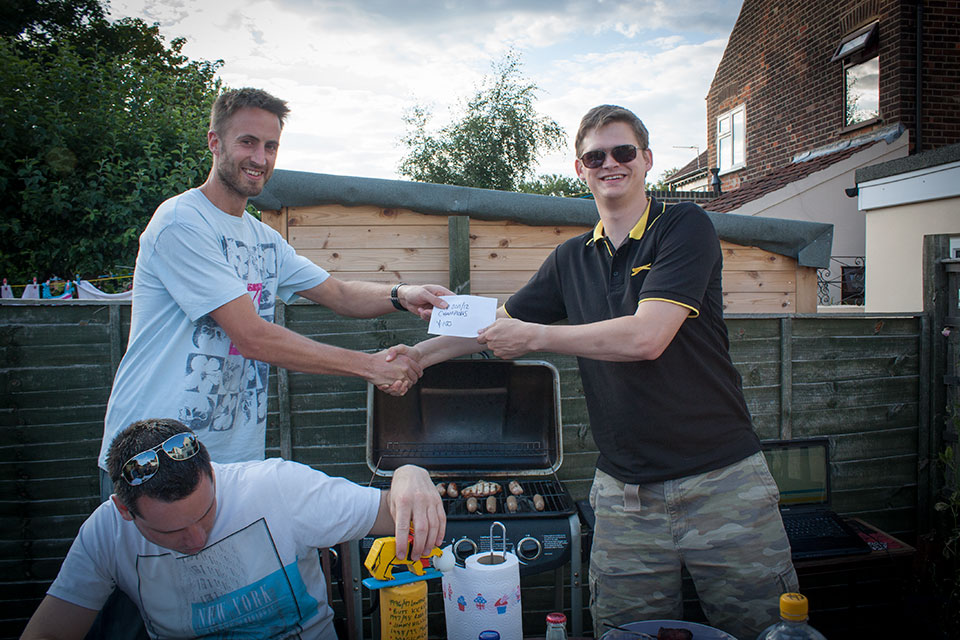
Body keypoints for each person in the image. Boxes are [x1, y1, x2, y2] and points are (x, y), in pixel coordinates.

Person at [409, 105, 798, 639]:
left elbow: (646, 337)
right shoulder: (571, 258)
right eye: (595, 156)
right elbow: (497, 323)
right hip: (625, 495)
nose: (610, 163)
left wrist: (537, 337)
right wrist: (417, 357)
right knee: (624, 635)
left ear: (647, 160)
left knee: (767, 631)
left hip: (722, 483)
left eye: (623, 152)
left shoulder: (684, 226)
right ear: (580, 168)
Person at [97, 87, 451, 495]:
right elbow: (251, 336)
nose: (260, 159)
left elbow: (338, 294)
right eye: (247, 142)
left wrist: (402, 294)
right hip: (153, 460)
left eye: (271, 146)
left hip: (229, 462)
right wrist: (369, 366)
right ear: (214, 142)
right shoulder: (182, 222)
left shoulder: (263, 238)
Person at [22, 418, 445, 639]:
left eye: (206, 514)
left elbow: (390, 511)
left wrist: (408, 474)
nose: (196, 540)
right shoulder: (104, 532)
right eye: (171, 533)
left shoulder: (275, 486)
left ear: (212, 472)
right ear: (124, 511)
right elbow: (50, 631)